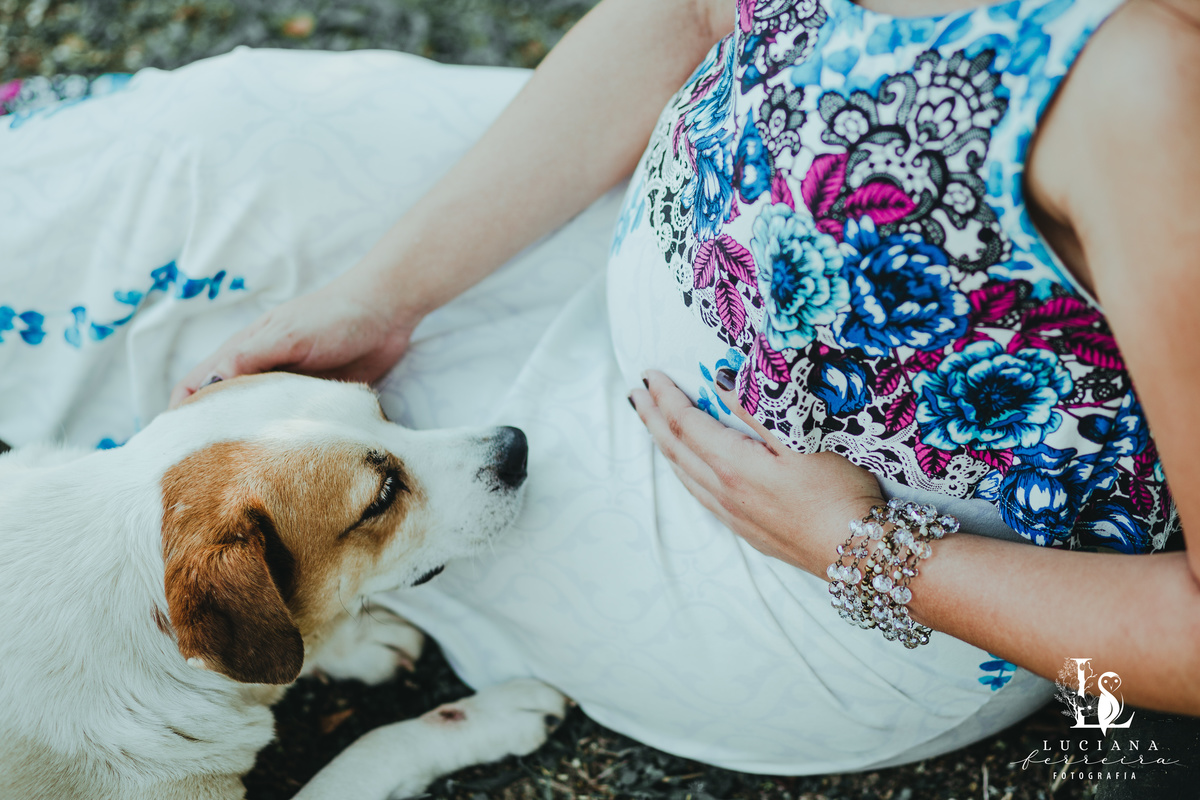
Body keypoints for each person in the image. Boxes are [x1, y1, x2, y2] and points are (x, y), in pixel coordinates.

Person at [2, 0, 1198, 778]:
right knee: (225, 145)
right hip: (646, 239)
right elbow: (688, 10)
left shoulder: (1154, 101)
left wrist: (865, 548)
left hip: (804, 562)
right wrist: (388, 292)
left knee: (280, 453)